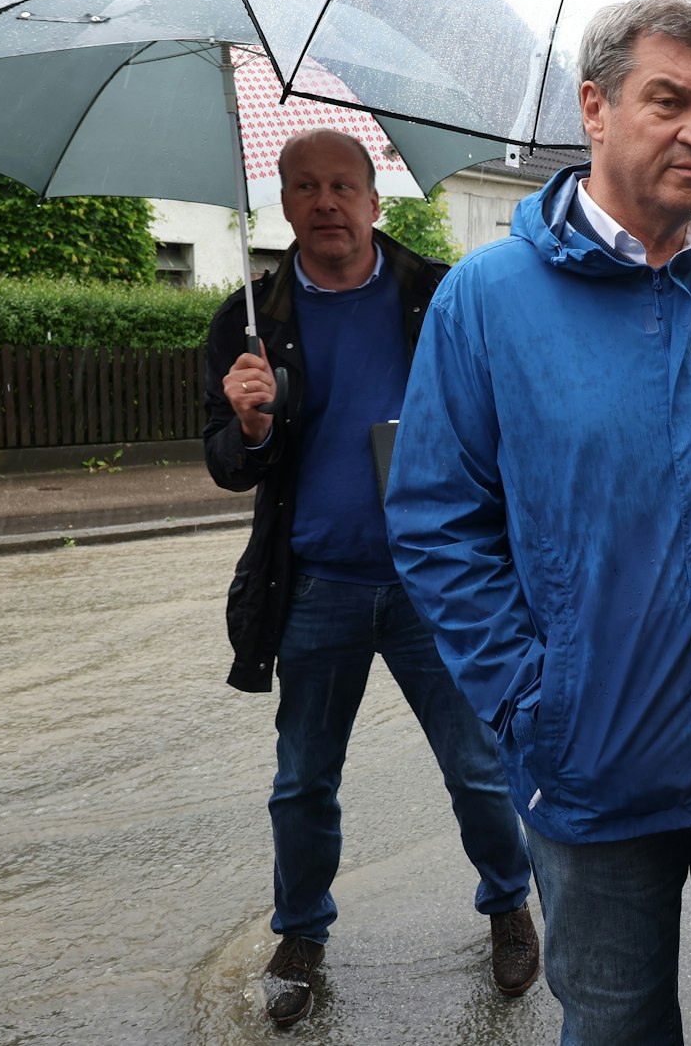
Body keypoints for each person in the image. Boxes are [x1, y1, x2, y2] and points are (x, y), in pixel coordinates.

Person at [384, 0, 691, 1045]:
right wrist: (529, 701)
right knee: (611, 1026)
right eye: (670, 99)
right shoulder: (484, 301)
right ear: (595, 108)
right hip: (590, 762)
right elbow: (431, 524)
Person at [202, 128, 538, 1028]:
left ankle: (510, 904)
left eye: (342, 186)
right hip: (317, 585)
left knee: (479, 766)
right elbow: (229, 465)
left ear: (373, 200)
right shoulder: (248, 322)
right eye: (306, 187)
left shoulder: (439, 295)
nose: (326, 203)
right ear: (285, 203)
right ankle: (302, 934)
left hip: (443, 583)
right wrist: (255, 424)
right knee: (303, 780)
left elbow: (505, 419)